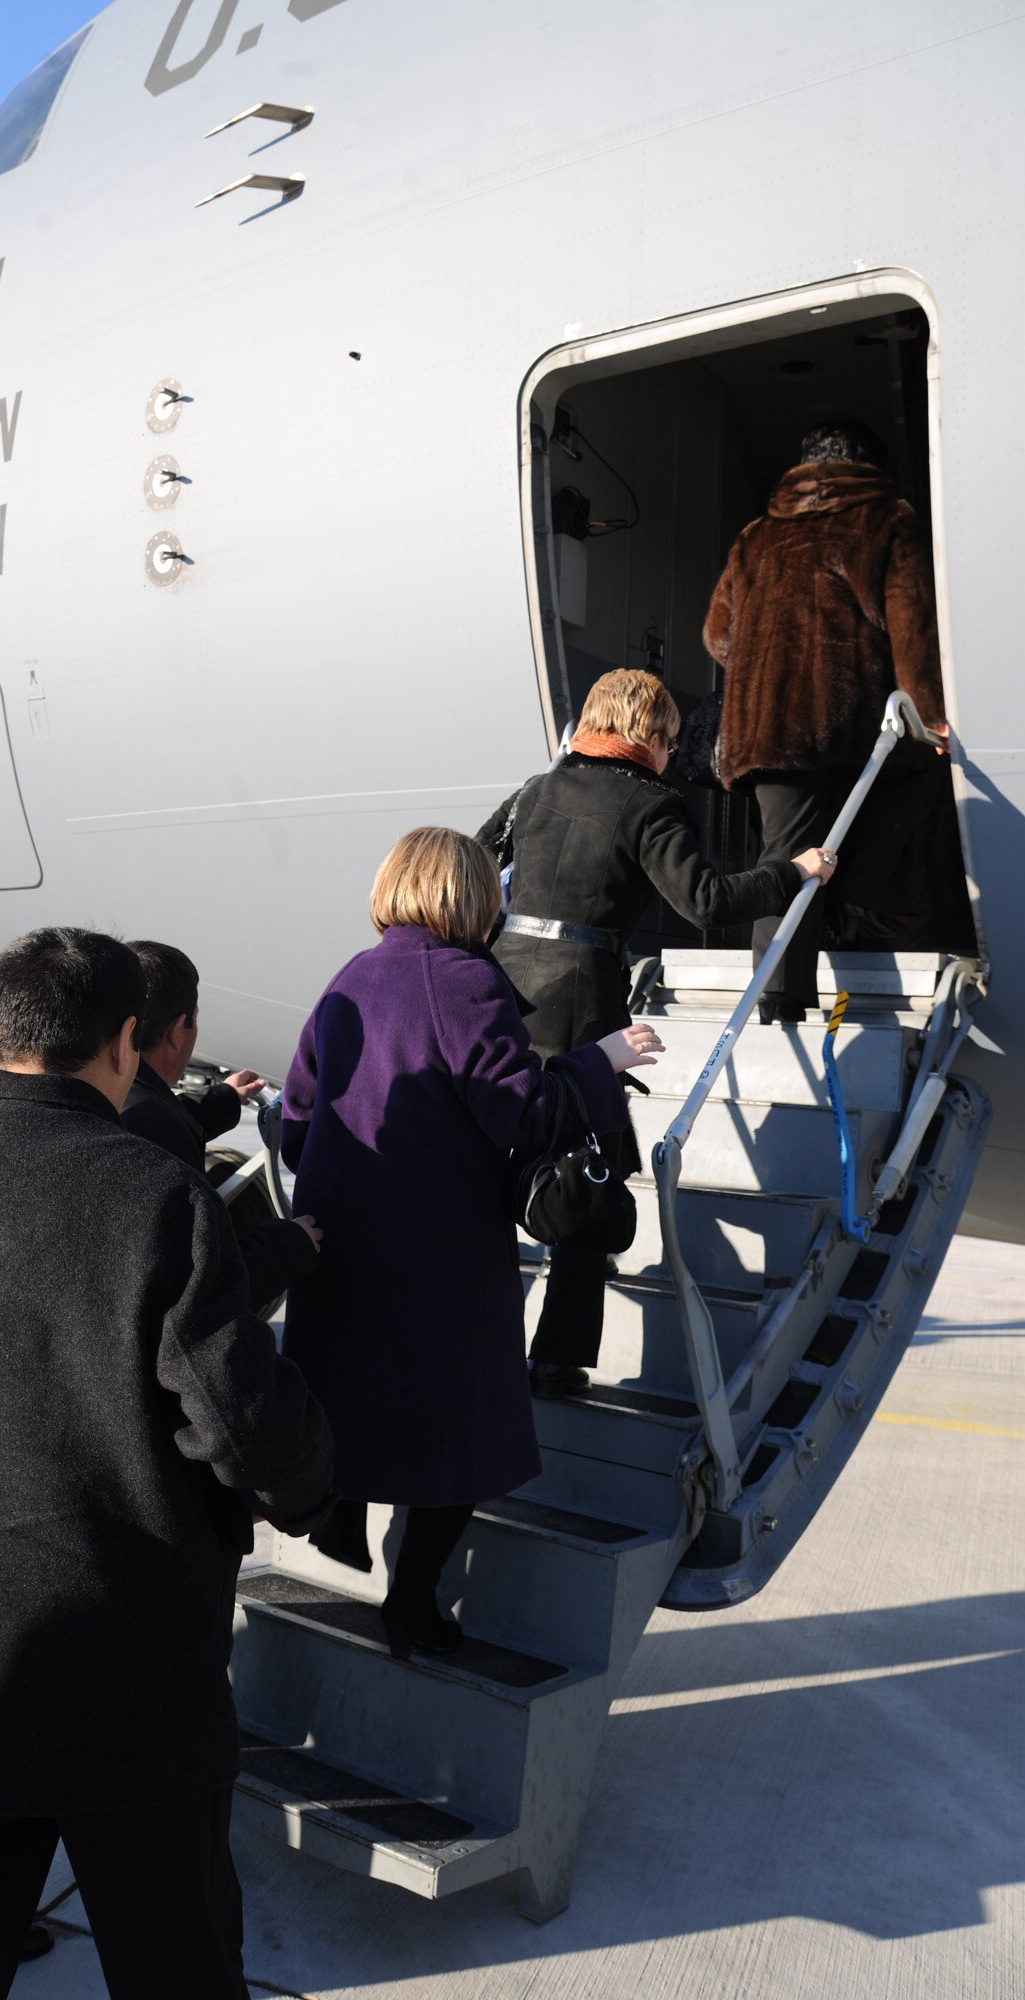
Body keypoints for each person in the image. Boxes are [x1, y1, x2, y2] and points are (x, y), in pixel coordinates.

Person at [0, 927, 334, 2000]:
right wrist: (309, 1486)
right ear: (126, 1043)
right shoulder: (151, 1194)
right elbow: (239, 1423)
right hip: (129, 1674)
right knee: (175, 1955)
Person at [280, 827, 659, 1660]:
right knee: (458, 1437)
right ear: (476, 897)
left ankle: (340, 1517)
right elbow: (517, 1113)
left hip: (341, 1239)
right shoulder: (460, 983)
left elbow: (294, 1123)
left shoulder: (352, 975)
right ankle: (410, 1606)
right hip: (435, 1255)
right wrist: (593, 1063)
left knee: (350, 1401)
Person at [478, 669, 834, 1395]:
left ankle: (475, 1342)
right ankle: (554, 1358)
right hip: (580, 1002)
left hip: (502, 988)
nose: (673, 755)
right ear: (651, 736)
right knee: (586, 1170)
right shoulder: (651, 805)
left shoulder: (535, 789)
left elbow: (474, 862)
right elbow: (705, 902)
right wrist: (789, 870)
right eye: (671, 740)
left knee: (493, 1158)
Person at [703, 419, 950, 1021]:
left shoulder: (753, 536)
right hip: (851, 723)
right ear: (868, 466)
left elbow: (715, 636)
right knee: (909, 800)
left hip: (765, 728)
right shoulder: (888, 519)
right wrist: (932, 718)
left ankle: (785, 993)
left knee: (784, 854)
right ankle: (807, 972)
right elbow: (911, 625)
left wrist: (769, 659)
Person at [120, 940, 321, 1314]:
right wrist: (289, 1245)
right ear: (179, 1030)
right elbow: (198, 1293)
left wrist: (221, 1101)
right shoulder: (152, 1129)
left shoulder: (109, 1100)